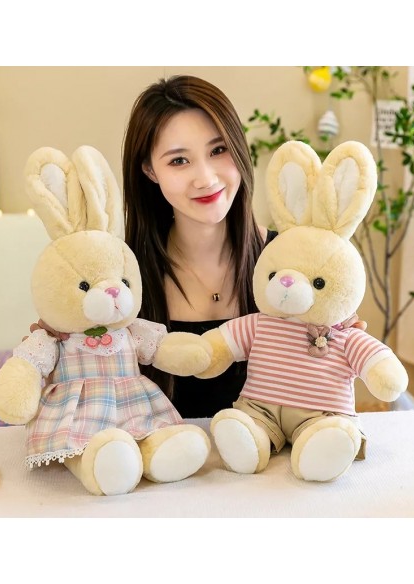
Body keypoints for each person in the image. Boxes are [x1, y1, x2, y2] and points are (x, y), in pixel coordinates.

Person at [32, 74, 365, 418]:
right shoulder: (116, 278)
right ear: (149, 170)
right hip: (157, 449)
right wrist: (61, 351)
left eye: (218, 150)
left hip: (270, 450)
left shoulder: (295, 266)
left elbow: (324, 390)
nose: (206, 178)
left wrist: (334, 343)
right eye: (179, 160)